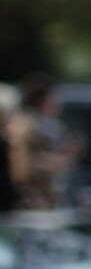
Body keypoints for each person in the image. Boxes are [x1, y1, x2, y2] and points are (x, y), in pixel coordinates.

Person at [5, 72, 77, 209]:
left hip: (52, 195)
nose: (58, 101)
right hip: (35, 198)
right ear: (42, 99)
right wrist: (56, 161)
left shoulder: (50, 124)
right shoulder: (25, 126)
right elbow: (22, 164)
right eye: (53, 96)